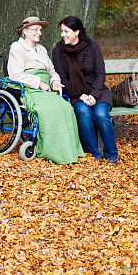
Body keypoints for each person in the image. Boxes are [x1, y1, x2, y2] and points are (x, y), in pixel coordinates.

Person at [7, 16, 84, 165]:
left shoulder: (41, 49)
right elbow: (15, 74)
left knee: (66, 107)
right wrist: (39, 83)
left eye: (40, 30)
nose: (39, 33)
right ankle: (51, 150)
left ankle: (69, 151)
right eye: (36, 30)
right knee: (49, 110)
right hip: (30, 88)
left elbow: (52, 70)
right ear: (25, 31)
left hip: (47, 88)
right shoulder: (17, 47)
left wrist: (55, 81)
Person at [51, 15, 119, 164]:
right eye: (61, 31)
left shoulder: (92, 46)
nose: (63, 35)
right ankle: (94, 153)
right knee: (83, 113)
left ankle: (111, 154)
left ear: (77, 32)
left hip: (98, 91)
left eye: (66, 31)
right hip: (75, 93)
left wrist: (93, 95)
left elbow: (100, 74)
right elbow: (62, 79)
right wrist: (81, 95)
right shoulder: (58, 51)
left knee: (101, 114)